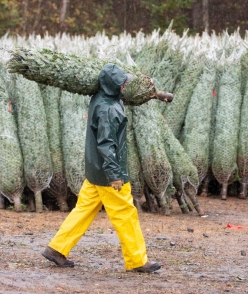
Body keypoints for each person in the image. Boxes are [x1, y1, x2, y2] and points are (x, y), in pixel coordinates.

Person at [42, 63, 161, 273]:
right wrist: (115, 175)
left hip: (95, 171)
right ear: (116, 86)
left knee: (83, 211)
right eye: (123, 83)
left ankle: (56, 248)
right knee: (125, 214)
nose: (126, 86)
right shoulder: (110, 109)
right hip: (109, 174)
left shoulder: (100, 99)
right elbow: (106, 144)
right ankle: (137, 261)